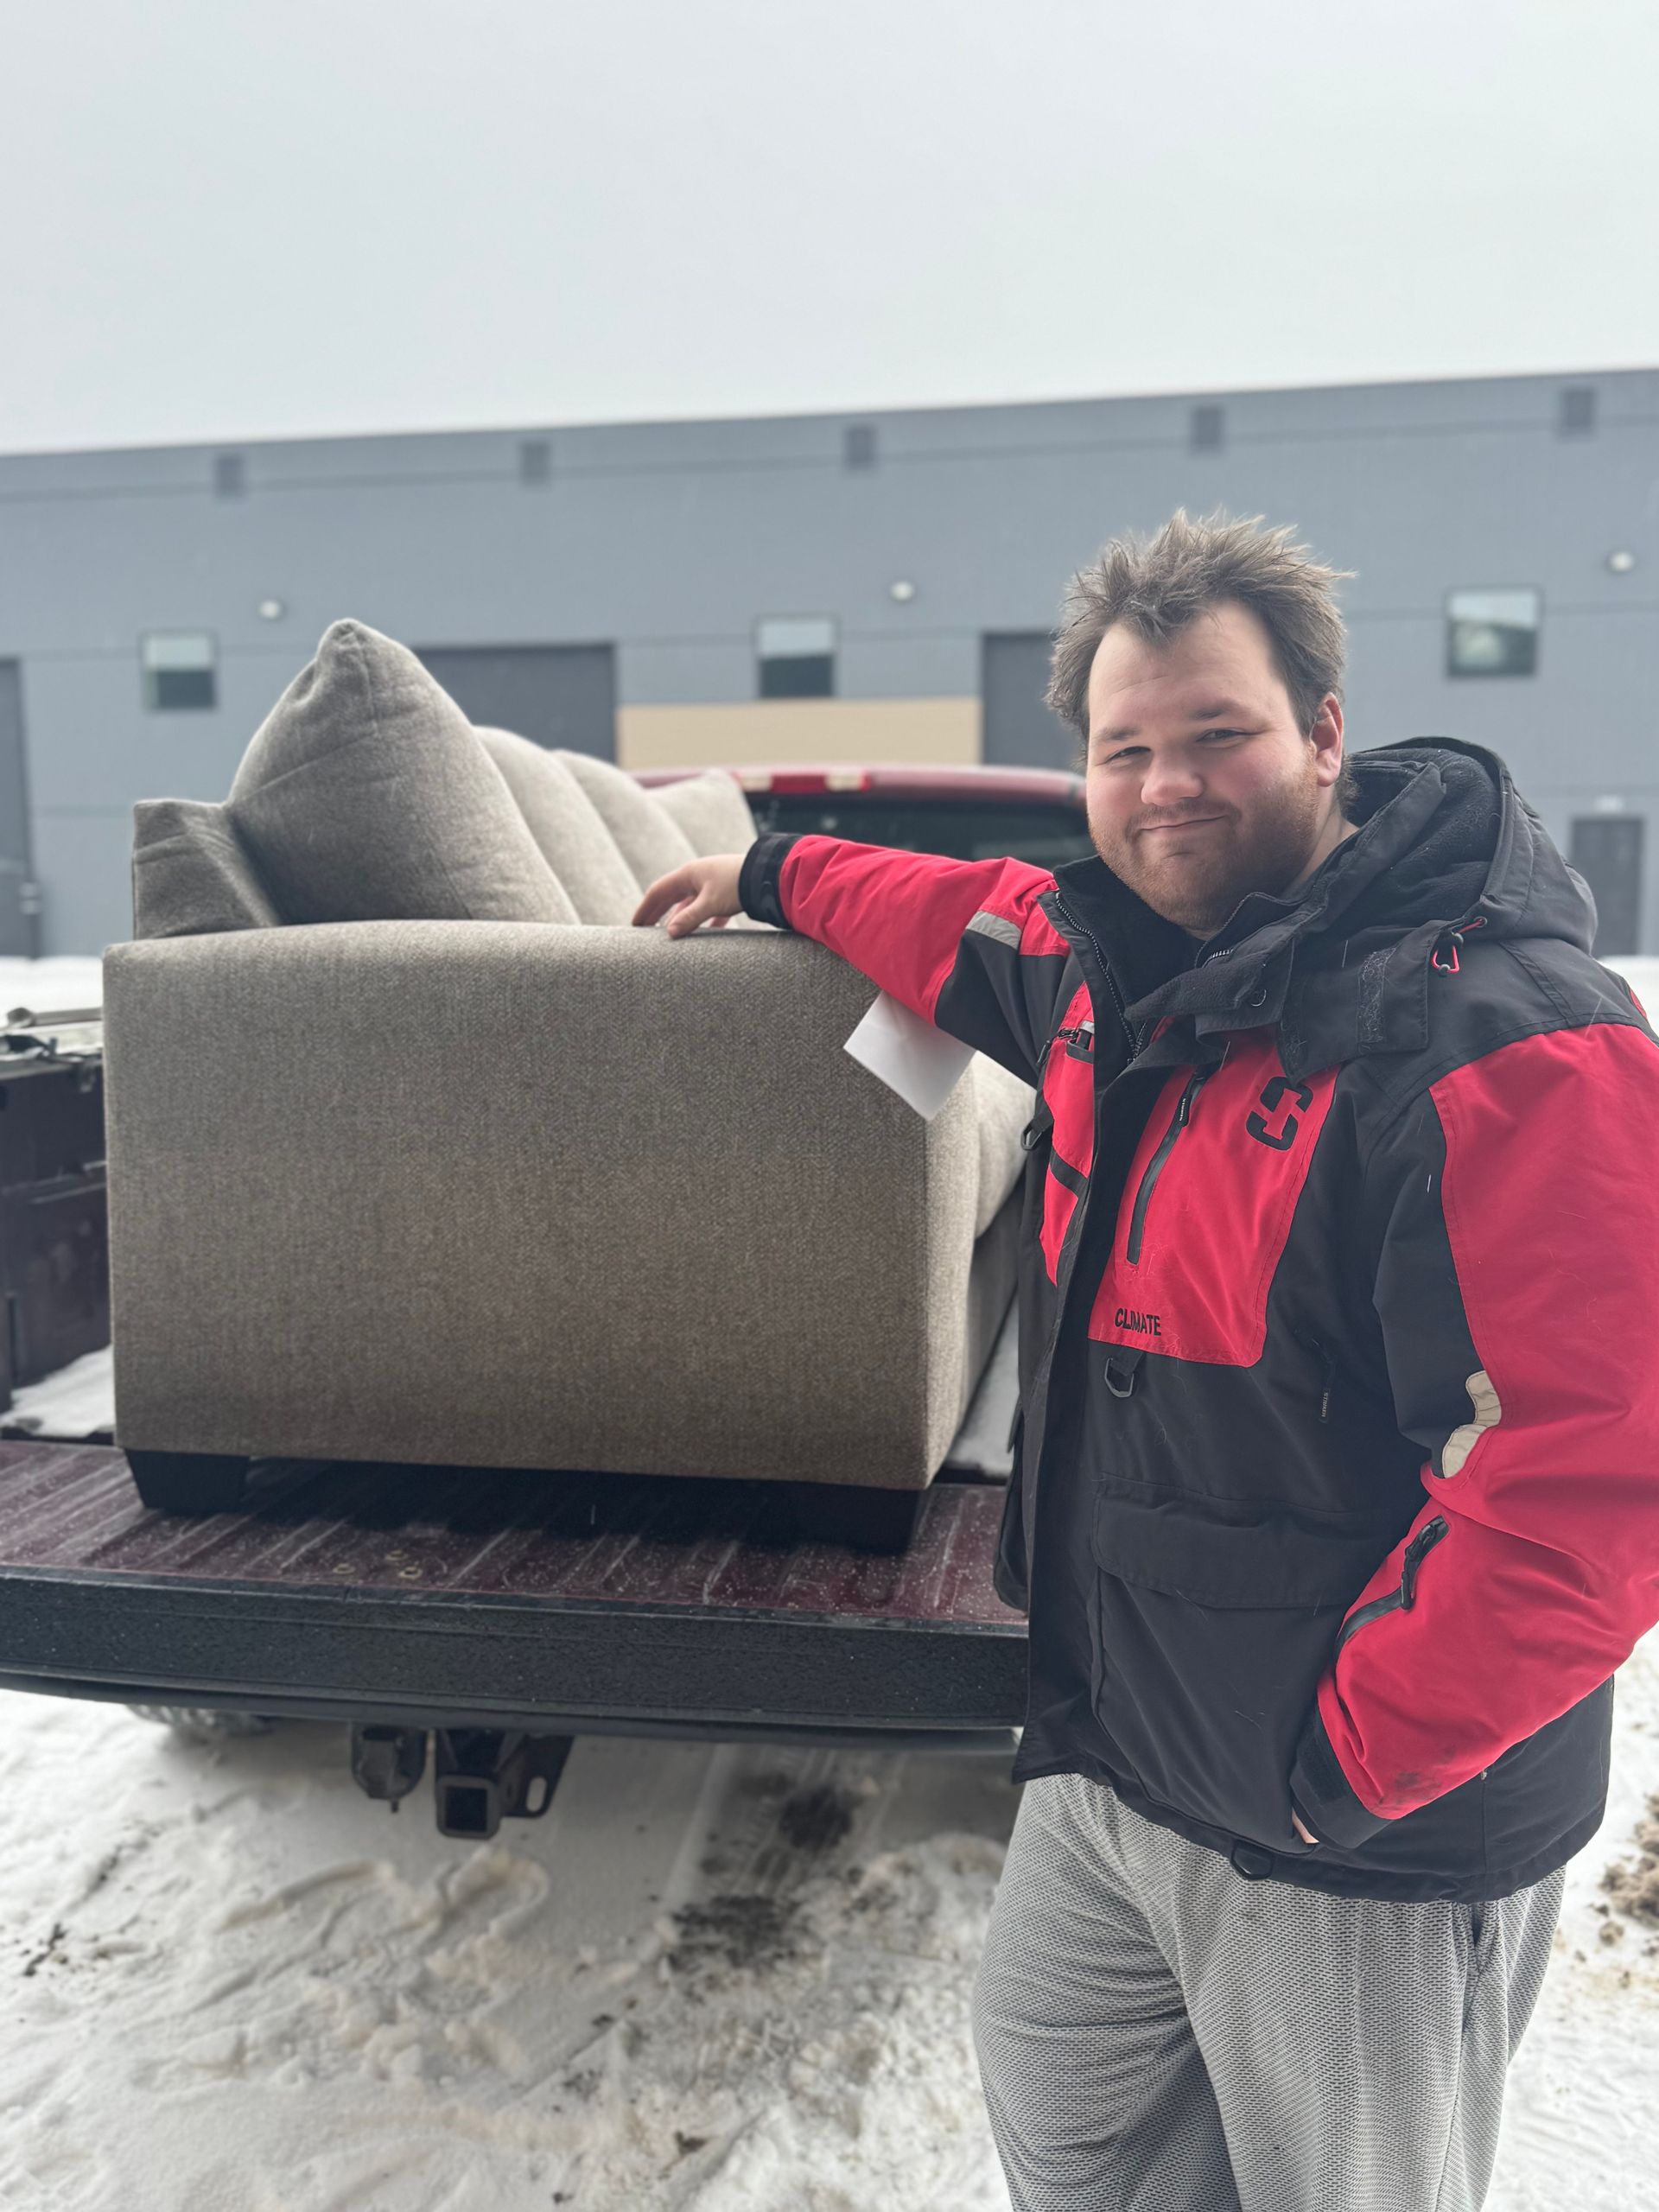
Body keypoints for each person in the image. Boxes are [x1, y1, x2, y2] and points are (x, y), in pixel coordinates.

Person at [631, 508, 1659, 2211]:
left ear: (1325, 733)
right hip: (1118, 1753)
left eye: (1216, 734)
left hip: (1351, 1827)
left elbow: (1594, 1484)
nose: (1165, 783)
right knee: (1066, 2099)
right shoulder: (1114, 972)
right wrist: (764, 869)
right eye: (1125, 748)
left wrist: (1340, 1765)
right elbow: (953, 912)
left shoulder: (1516, 1043)